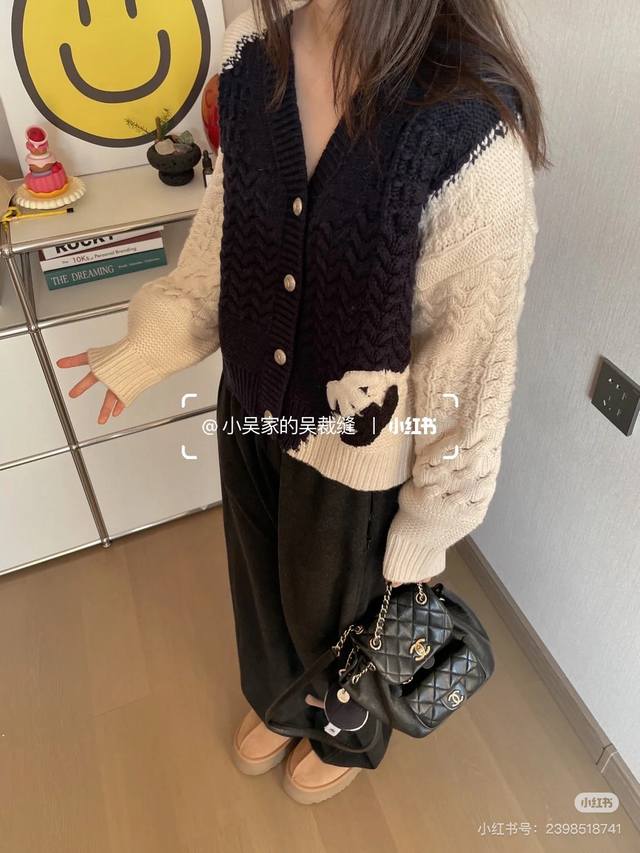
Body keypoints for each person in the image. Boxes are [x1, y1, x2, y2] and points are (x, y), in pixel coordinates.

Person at [57, 0, 546, 804]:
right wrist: (158, 334)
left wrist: (427, 530)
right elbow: (227, 229)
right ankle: (283, 703)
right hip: (248, 403)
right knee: (259, 586)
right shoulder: (252, 56)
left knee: (342, 624)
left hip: (358, 458)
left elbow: (467, 369)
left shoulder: (470, 130)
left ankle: (342, 735)